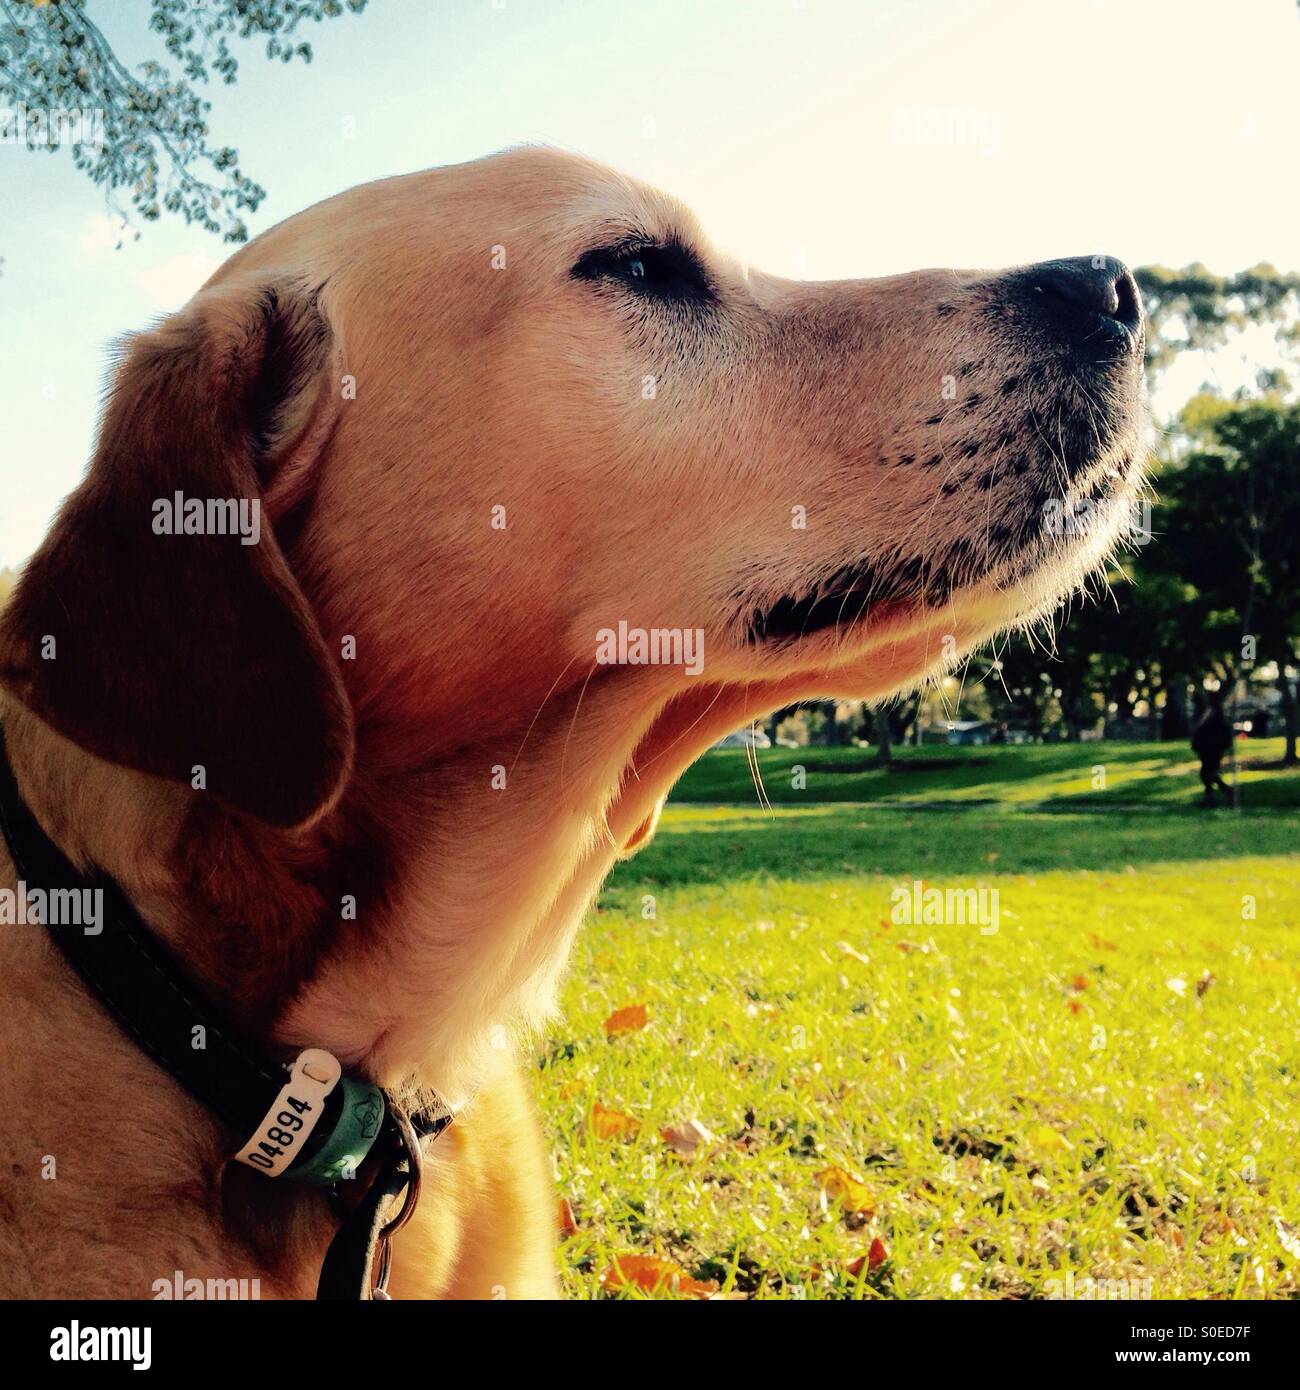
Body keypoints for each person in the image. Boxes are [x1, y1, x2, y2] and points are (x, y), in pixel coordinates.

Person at [1191, 700, 1233, 807]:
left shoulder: (1211, 719)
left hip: (1211, 750)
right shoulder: (1218, 719)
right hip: (1211, 750)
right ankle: (1213, 796)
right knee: (1208, 774)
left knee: (1208, 774)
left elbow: (1199, 734)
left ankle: (1217, 794)